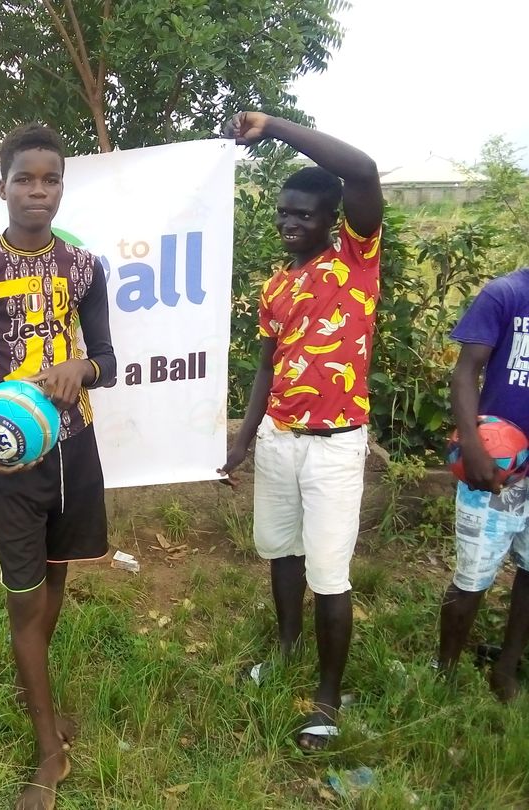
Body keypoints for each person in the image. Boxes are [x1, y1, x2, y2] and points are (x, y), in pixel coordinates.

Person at [0, 123, 116, 810]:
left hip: (75, 451)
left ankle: (34, 691)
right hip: (12, 461)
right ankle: (49, 749)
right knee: (23, 596)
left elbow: (107, 359)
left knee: (55, 582)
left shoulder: (85, 268)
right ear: (2, 187)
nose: (38, 190)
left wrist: (82, 367)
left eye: (51, 179)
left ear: (62, 187)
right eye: (25, 179)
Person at [218, 112, 383, 751]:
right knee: (281, 554)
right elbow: (267, 366)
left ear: (332, 219)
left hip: (334, 446)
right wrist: (243, 441)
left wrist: (274, 127)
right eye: (284, 213)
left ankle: (327, 699)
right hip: (279, 442)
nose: (290, 223)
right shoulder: (277, 286)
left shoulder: (357, 258)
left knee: (329, 573)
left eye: (304, 214)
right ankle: (286, 649)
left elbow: (362, 170)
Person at [435, 267, 529, 701]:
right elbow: (465, 371)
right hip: (494, 469)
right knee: (472, 576)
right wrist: (471, 444)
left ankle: (507, 667)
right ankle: (444, 670)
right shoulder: (504, 294)